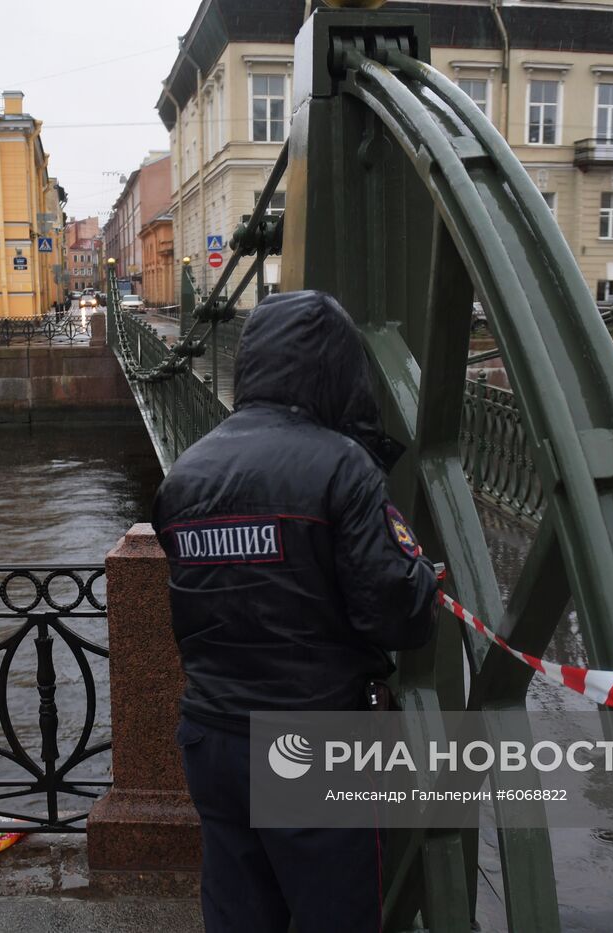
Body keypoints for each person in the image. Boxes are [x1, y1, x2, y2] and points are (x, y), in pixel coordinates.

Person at [151, 290, 439, 933]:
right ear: (339, 371)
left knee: (238, 916)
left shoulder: (186, 474)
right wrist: (424, 579)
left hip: (212, 737)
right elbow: (396, 616)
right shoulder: (343, 465)